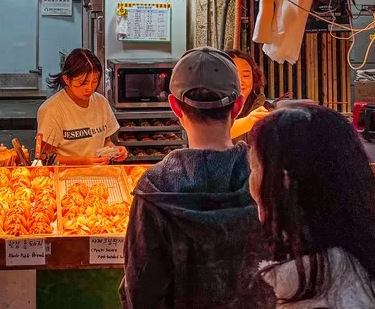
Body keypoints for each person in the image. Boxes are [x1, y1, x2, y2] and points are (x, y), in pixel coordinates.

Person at [120, 47, 271, 309]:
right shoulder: (268, 180)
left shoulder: (154, 188)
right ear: (237, 106)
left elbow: (142, 295)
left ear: (175, 106)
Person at [248, 103, 375, 309]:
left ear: (283, 183)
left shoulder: (313, 295)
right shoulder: (362, 265)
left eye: (254, 168)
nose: (250, 182)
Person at [37, 48, 127, 164]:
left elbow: (105, 141)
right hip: (65, 177)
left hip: (99, 176)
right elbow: (44, 157)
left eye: (94, 81)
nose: (89, 88)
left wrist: (114, 150)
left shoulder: (101, 103)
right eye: (82, 83)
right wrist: (83, 162)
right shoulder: (52, 109)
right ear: (67, 79)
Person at [227, 48, 271, 140]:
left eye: (246, 76)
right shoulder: (209, 108)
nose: (240, 81)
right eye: (233, 75)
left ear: (254, 78)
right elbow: (209, 135)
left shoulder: (264, 108)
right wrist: (248, 122)